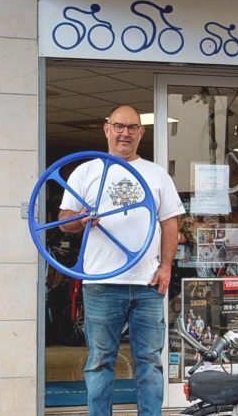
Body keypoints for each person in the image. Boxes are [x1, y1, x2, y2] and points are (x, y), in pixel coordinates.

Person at [57, 105, 183, 416]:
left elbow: (170, 224)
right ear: (106, 129)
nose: (124, 132)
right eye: (118, 126)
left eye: (131, 127)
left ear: (141, 132)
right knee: (100, 362)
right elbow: (63, 221)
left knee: (150, 362)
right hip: (101, 283)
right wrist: (82, 218)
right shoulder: (86, 171)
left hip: (147, 283)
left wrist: (165, 268)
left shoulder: (156, 174)